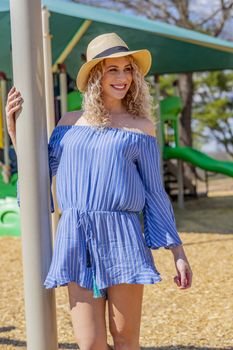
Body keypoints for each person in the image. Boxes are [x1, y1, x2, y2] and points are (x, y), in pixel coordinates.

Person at [6, 32, 192, 350]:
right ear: (96, 75)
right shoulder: (68, 123)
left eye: (127, 69)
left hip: (123, 235)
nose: (122, 78)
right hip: (75, 236)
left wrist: (177, 252)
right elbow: (38, 175)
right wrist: (14, 131)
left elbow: (155, 192)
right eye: (112, 70)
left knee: (124, 339)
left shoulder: (140, 127)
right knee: (90, 343)